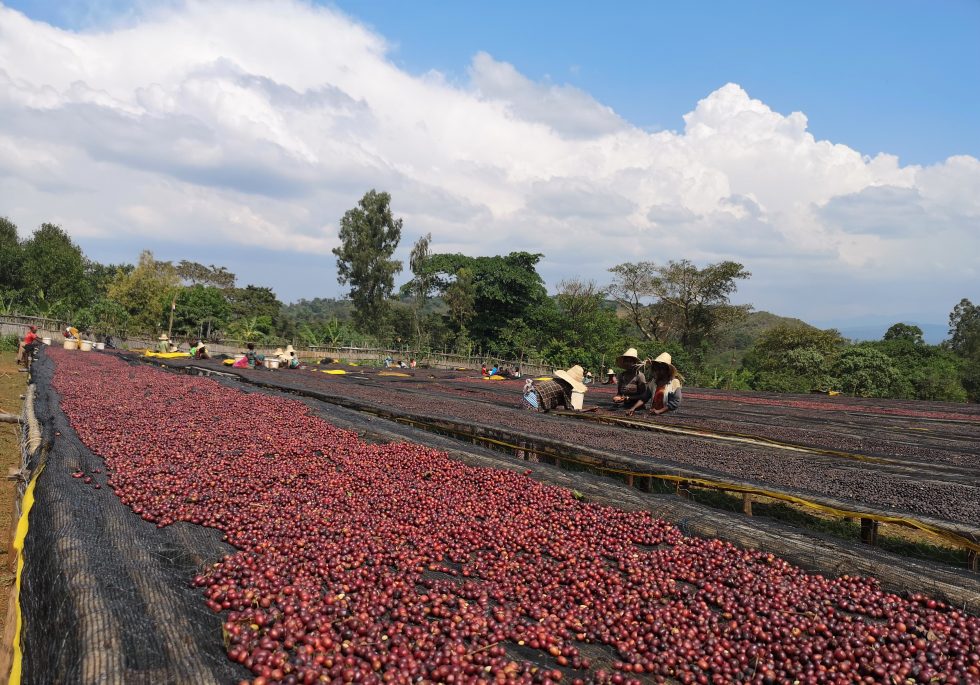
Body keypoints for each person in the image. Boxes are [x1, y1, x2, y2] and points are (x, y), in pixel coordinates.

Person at [523, 365, 588, 412]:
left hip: (526, 397)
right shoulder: (566, 387)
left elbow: (554, 399)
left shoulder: (556, 380)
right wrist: (585, 410)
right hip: (533, 403)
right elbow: (569, 408)